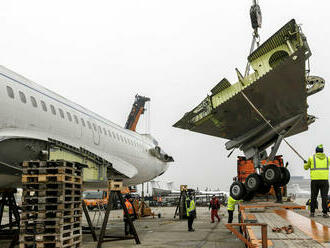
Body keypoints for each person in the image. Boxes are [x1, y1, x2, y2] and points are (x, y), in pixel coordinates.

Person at [304, 144, 329, 218]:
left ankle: (312, 213)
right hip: (324, 181)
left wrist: (305, 163)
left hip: (314, 181)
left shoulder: (311, 158)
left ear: (316, 151)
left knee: (313, 196)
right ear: (322, 151)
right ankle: (325, 213)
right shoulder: (327, 159)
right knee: (324, 197)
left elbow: (306, 167)